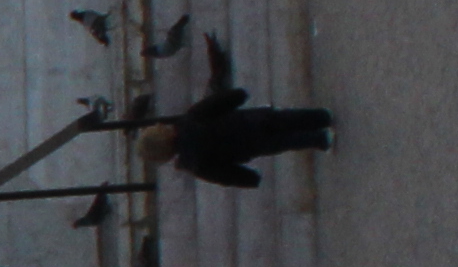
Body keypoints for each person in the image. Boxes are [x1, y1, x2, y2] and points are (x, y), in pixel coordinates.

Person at [134, 33, 337, 190]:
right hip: (248, 121)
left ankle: (320, 139)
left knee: (284, 142)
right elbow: (217, 103)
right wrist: (239, 96)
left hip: (248, 147)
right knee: (284, 118)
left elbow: (225, 175)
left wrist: (250, 179)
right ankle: (321, 117)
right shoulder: (189, 120)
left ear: (165, 157)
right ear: (161, 130)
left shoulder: (195, 164)